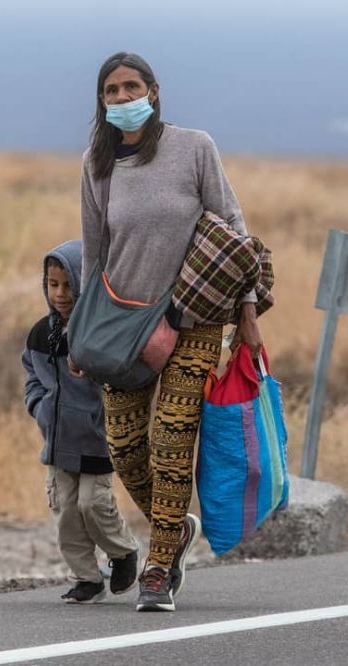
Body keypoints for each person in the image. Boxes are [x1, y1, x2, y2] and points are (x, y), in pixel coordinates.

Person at [79, 52, 264, 612]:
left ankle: (158, 569)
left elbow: (233, 227)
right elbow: (94, 251)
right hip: (122, 321)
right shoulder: (97, 162)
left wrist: (248, 312)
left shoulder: (194, 147)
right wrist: (79, 331)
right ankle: (175, 525)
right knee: (127, 446)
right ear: (102, 100)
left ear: (154, 92)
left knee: (172, 442)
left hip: (195, 317)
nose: (121, 97)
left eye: (131, 86)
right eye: (111, 90)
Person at [22, 239, 140, 604]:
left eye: (68, 285)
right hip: (59, 442)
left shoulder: (99, 333)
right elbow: (31, 375)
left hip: (96, 438)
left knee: (93, 505)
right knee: (67, 513)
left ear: (84, 283)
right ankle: (86, 578)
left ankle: (122, 552)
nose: (60, 294)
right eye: (52, 285)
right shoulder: (41, 334)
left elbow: (118, 378)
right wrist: (39, 406)